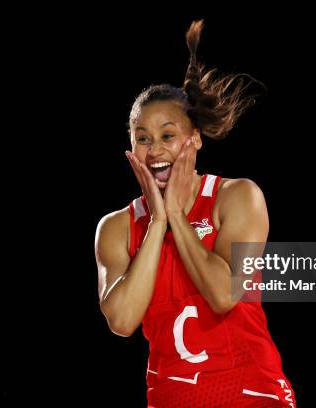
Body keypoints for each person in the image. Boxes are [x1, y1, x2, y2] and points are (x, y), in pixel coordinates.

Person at [95, 20, 296, 407]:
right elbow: (121, 321)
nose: (155, 151)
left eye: (168, 136)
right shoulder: (117, 226)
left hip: (251, 391)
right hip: (170, 397)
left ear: (196, 138)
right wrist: (157, 223)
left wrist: (177, 216)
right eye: (143, 139)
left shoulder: (237, 197)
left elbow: (223, 295)